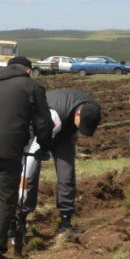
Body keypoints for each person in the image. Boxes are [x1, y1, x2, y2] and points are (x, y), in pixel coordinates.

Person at [0, 57, 53, 259]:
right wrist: (44, 146)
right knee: (6, 199)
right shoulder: (30, 86)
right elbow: (43, 122)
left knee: (1, 192)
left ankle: (8, 228)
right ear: (27, 70)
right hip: (6, 149)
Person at [19, 89, 102, 236]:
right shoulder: (53, 116)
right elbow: (31, 158)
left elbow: (76, 130)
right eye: (80, 125)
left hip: (64, 134)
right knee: (31, 174)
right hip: (41, 129)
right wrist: (23, 182)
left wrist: (74, 137)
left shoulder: (92, 109)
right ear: (77, 114)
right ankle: (21, 217)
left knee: (67, 173)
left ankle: (66, 220)